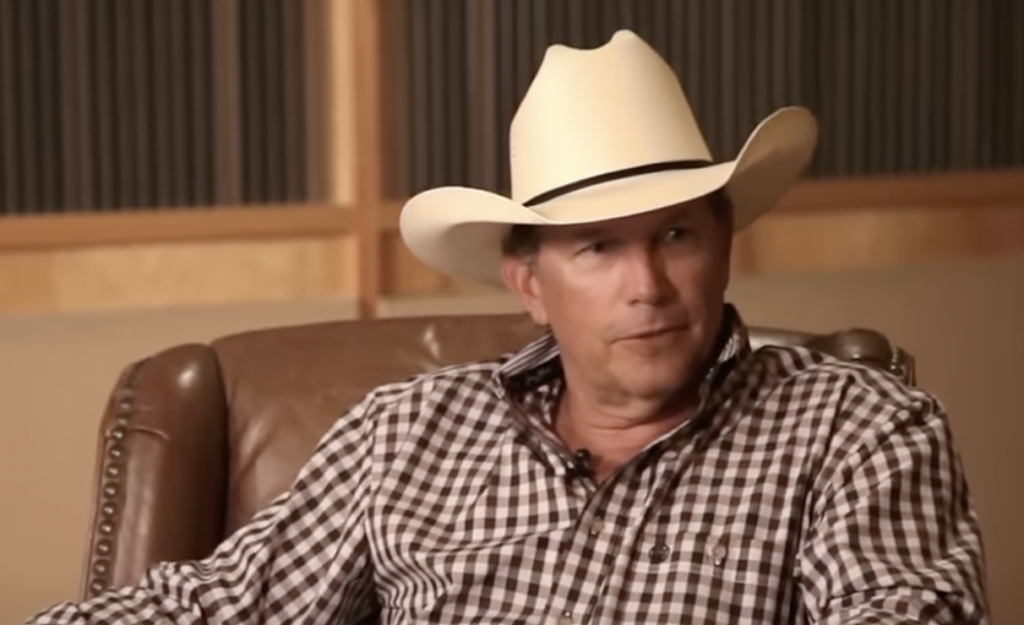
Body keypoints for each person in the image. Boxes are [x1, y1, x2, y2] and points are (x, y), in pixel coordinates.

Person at [28, 29, 987, 625]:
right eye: (598, 249)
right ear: (528, 280)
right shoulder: (407, 432)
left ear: (725, 240)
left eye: (677, 235)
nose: (648, 285)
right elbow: (217, 607)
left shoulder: (857, 428)